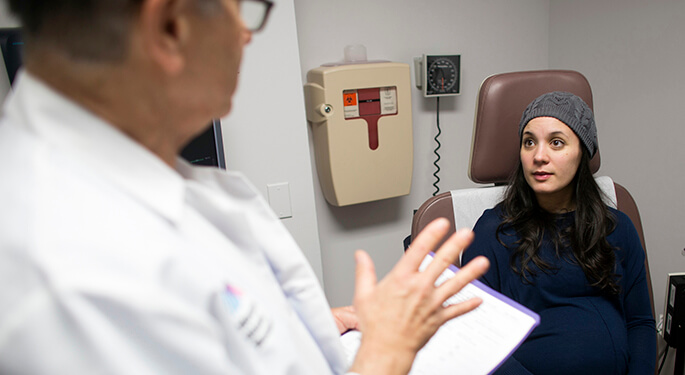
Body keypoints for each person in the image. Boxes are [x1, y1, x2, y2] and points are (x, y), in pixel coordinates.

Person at [0, 0, 491, 374]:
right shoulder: (67, 278)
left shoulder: (158, 185)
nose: (245, 35)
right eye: (242, 10)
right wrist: (385, 353)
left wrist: (304, 325)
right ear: (170, 26)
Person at [461, 91, 656, 374]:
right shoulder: (494, 233)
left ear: (582, 153)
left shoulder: (617, 228)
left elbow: (640, 323)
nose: (539, 156)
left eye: (556, 143)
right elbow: (476, 339)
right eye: (529, 142)